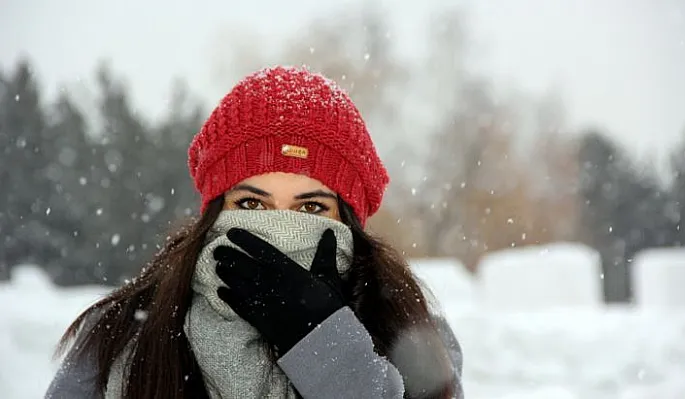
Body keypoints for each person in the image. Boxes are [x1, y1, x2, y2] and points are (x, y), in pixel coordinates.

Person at [46, 66, 463, 399]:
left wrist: (326, 345)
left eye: (312, 207)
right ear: (215, 212)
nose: (278, 228)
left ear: (347, 221)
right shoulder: (120, 335)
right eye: (251, 205)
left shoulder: (410, 335)